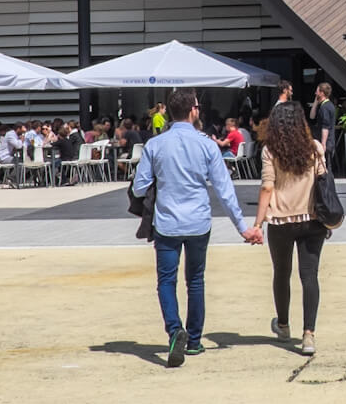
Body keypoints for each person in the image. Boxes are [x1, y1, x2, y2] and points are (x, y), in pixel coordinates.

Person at [130, 90, 260, 367]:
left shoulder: (155, 144)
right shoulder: (207, 145)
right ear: (192, 110)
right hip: (199, 221)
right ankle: (194, 341)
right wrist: (242, 227)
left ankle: (175, 329)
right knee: (196, 280)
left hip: (167, 222)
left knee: (166, 280)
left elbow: (139, 187)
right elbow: (224, 190)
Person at [254, 102, 330, 356]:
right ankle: (309, 335)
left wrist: (257, 223)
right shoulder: (315, 148)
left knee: (281, 273)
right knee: (309, 276)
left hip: (281, 221)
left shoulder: (270, 151)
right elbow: (323, 181)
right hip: (312, 219)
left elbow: (267, 187)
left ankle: (284, 325)